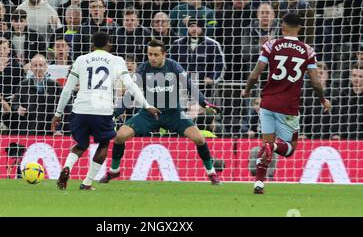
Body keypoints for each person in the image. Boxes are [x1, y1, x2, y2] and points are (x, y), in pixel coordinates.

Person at [99, 39, 222, 185]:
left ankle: (212, 173)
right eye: (150, 54)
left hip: (173, 114)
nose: (152, 58)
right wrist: (115, 113)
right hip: (148, 114)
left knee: (199, 139)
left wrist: (203, 102)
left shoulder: (173, 66)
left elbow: (190, 85)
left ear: (164, 54)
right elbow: (132, 92)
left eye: (156, 55)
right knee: (120, 136)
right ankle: (114, 171)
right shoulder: (143, 69)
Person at [51, 32, 159, 190]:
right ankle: (87, 182)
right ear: (109, 45)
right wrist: (146, 105)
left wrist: (58, 114)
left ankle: (67, 167)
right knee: (103, 144)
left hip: (80, 109)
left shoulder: (81, 60)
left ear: (92, 45)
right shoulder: (117, 61)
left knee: (81, 144)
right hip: (102, 110)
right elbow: (130, 85)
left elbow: (67, 90)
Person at [242, 13, 332, 194]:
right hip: (289, 106)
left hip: (266, 102)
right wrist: (323, 99)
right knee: (290, 149)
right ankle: (272, 148)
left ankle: (259, 183)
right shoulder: (308, 50)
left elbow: (256, 72)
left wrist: (247, 90)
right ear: (300, 28)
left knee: (266, 142)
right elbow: (315, 82)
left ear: (282, 26)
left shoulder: (270, 45)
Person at [12, 54, 62, 135]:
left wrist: (59, 128)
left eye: (41, 65)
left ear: (46, 67)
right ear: (31, 68)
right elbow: (15, 102)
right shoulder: (23, 84)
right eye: (35, 65)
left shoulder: (55, 85)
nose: (38, 68)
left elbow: (62, 106)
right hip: (29, 127)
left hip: (49, 127)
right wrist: (18, 108)